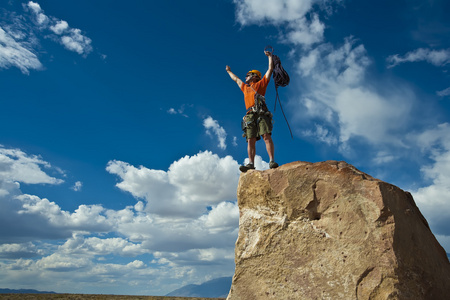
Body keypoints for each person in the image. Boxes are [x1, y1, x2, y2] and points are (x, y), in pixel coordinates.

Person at [226, 50, 279, 172]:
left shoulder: (261, 84)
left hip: (261, 112)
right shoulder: (245, 88)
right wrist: (229, 71)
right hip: (250, 114)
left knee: (266, 135)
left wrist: (270, 57)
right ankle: (251, 163)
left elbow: (270, 70)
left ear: (255, 76)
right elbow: (236, 79)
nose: (246, 77)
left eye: (248, 75)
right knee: (250, 139)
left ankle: (271, 161)